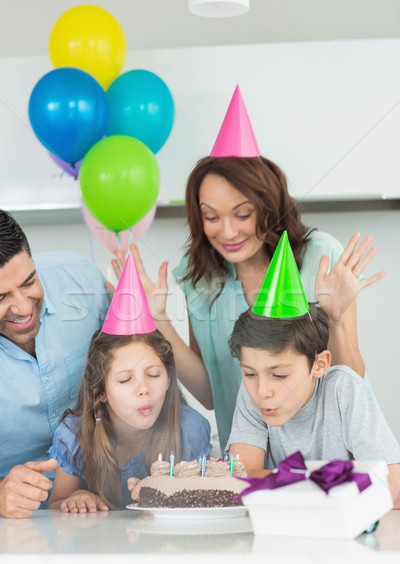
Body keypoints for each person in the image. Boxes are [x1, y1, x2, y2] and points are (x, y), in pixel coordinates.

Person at [111, 87, 385, 453]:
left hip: (329, 463)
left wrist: (333, 318)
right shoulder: (201, 277)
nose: (227, 232)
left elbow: (352, 380)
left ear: (268, 206)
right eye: (211, 217)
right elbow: (212, 394)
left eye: (242, 214)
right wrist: (159, 319)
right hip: (248, 460)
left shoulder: (321, 259)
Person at [227, 304, 400, 508]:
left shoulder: (342, 388)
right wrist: (329, 482)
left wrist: (282, 484)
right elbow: (241, 480)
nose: (262, 391)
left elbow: (393, 488)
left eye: (279, 375)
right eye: (249, 373)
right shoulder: (253, 392)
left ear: (319, 365)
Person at [0, 210, 110, 518]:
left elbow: (140, 362)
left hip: (101, 503)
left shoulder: (80, 279)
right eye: (0, 298)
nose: (23, 307)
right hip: (14, 519)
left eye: (29, 282)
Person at [48, 329, 212, 512]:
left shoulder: (189, 429)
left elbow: (211, 500)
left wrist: (169, 494)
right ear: (100, 391)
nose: (143, 389)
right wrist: (75, 499)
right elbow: (56, 508)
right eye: (125, 380)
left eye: (154, 375)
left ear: (169, 379)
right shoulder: (75, 435)